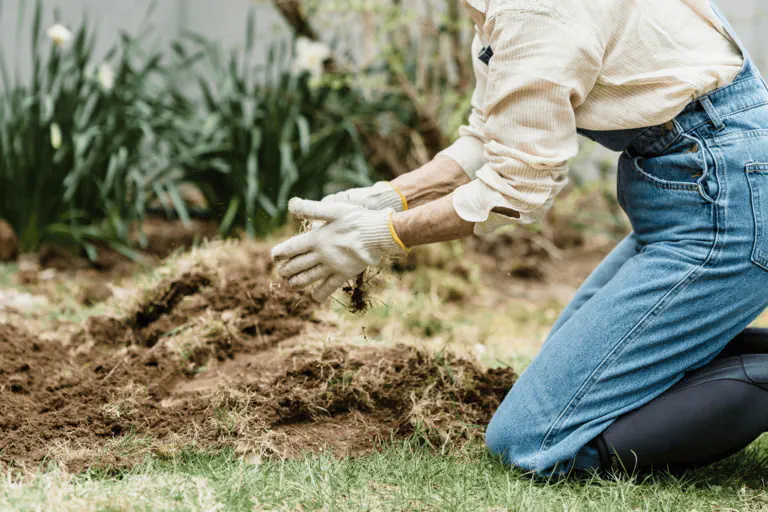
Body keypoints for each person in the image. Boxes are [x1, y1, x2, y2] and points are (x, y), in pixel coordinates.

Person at [272, 0, 768, 475]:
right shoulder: (501, 9)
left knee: (536, 436)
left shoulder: (530, 9)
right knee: (573, 378)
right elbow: (487, 136)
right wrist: (388, 198)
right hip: (696, 192)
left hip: (725, 205)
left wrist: (380, 236)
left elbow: (518, 185)